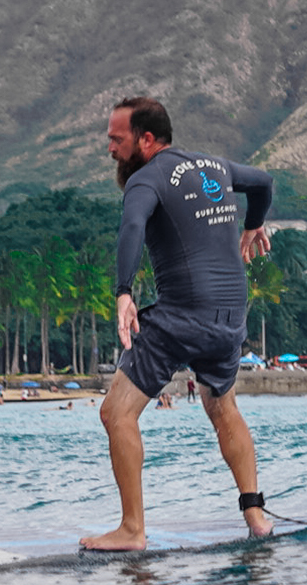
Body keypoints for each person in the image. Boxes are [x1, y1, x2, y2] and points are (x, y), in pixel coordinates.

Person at [82, 96, 278, 551]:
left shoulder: (146, 179)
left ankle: (132, 529)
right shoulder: (215, 166)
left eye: (117, 139)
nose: (110, 149)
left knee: (116, 413)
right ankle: (256, 516)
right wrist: (254, 223)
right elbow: (263, 182)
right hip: (230, 315)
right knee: (223, 408)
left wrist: (124, 291)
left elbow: (132, 228)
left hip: (183, 315)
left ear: (146, 139)